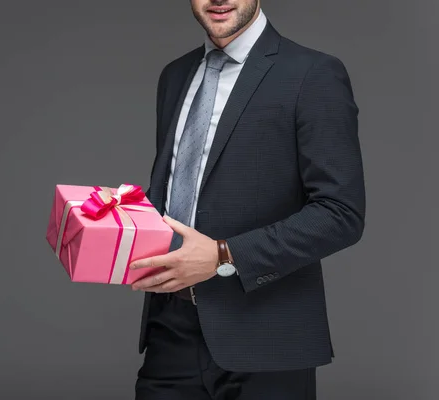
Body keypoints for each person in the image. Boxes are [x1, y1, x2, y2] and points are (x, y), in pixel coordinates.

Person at [128, 0, 366, 398]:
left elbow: (341, 214)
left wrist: (225, 255)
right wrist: (117, 223)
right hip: (170, 329)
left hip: (267, 338)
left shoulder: (313, 73)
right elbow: (177, 192)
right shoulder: (175, 76)